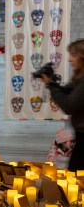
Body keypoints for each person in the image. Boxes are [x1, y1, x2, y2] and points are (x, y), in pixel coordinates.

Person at [43, 39, 84, 171]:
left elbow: (68, 105)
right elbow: (66, 90)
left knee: (76, 175)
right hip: (81, 135)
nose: (69, 59)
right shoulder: (79, 79)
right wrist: (52, 82)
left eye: (73, 55)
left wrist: (51, 85)